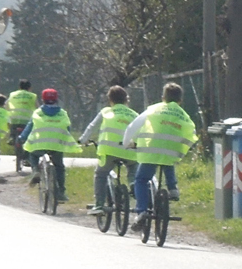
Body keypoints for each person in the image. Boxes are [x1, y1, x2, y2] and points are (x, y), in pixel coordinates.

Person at [122, 82, 197, 221]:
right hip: (172, 151)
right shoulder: (183, 115)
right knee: (167, 160)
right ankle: (173, 188)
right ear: (180, 101)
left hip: (152, 151)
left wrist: (127, 144)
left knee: (141, 180)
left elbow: (132, 127)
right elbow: (192, 132)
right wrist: (183, 148)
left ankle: (142, 211)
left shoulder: (153, 110)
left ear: (163, 97)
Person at [80, 85, 139, 214]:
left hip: (109, 150)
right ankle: (134, 185)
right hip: (129, 150)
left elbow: (92, 127)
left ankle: (99, 205)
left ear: (110, 100)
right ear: (126, 100)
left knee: (101, 174)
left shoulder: (106, 112)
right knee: (133, 169)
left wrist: (83, 140)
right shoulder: (135, 114)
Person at [19, 88, 79, 202]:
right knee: (59, 167)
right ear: (56, 99)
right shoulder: (63, 113)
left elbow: (29, 127)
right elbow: (68, 128)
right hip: (56, 145)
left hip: (39, 145)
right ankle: (61, 192)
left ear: (43, 99)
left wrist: (21, 137)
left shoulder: (37, 112)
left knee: (33, 155)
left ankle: (36, 170)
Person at [5, 80, 39, 171]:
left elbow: (6, 105)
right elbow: (38, 108)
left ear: (19, 87)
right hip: (26, 121)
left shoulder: (13, 94)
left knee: (12, 126)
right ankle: (26, 157)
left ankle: (12, 137)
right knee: (30, 137)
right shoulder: (33, 96)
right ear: (30, 88)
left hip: (14, 119)